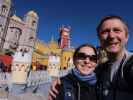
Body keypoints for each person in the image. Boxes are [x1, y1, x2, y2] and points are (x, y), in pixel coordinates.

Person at [48, 15, 133, 100]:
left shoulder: (129, 64)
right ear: (100, 39)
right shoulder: (100, 70)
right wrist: (62, 81)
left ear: (127, 37)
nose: (111, 35)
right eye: (105, 31)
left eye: (117, 30)